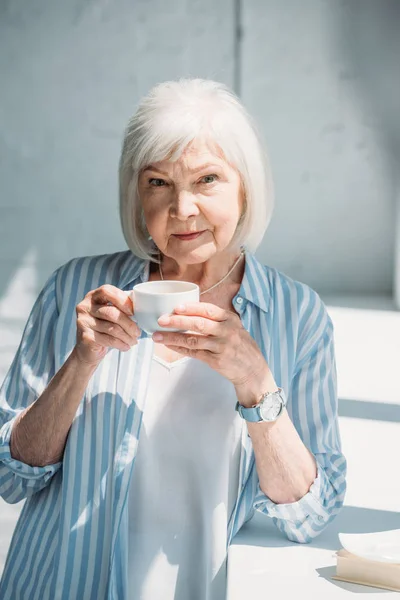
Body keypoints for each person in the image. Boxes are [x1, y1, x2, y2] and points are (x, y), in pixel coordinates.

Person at [0, 78, 346, 600]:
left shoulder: (296, 314)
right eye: (158, 183)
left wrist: (256, 381)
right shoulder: (76, 288)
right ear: (136, 193)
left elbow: (309, 515)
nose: (182, 208)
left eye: (207, 180)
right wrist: (82, 361)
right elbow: (12, 476)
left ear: (246, 187)